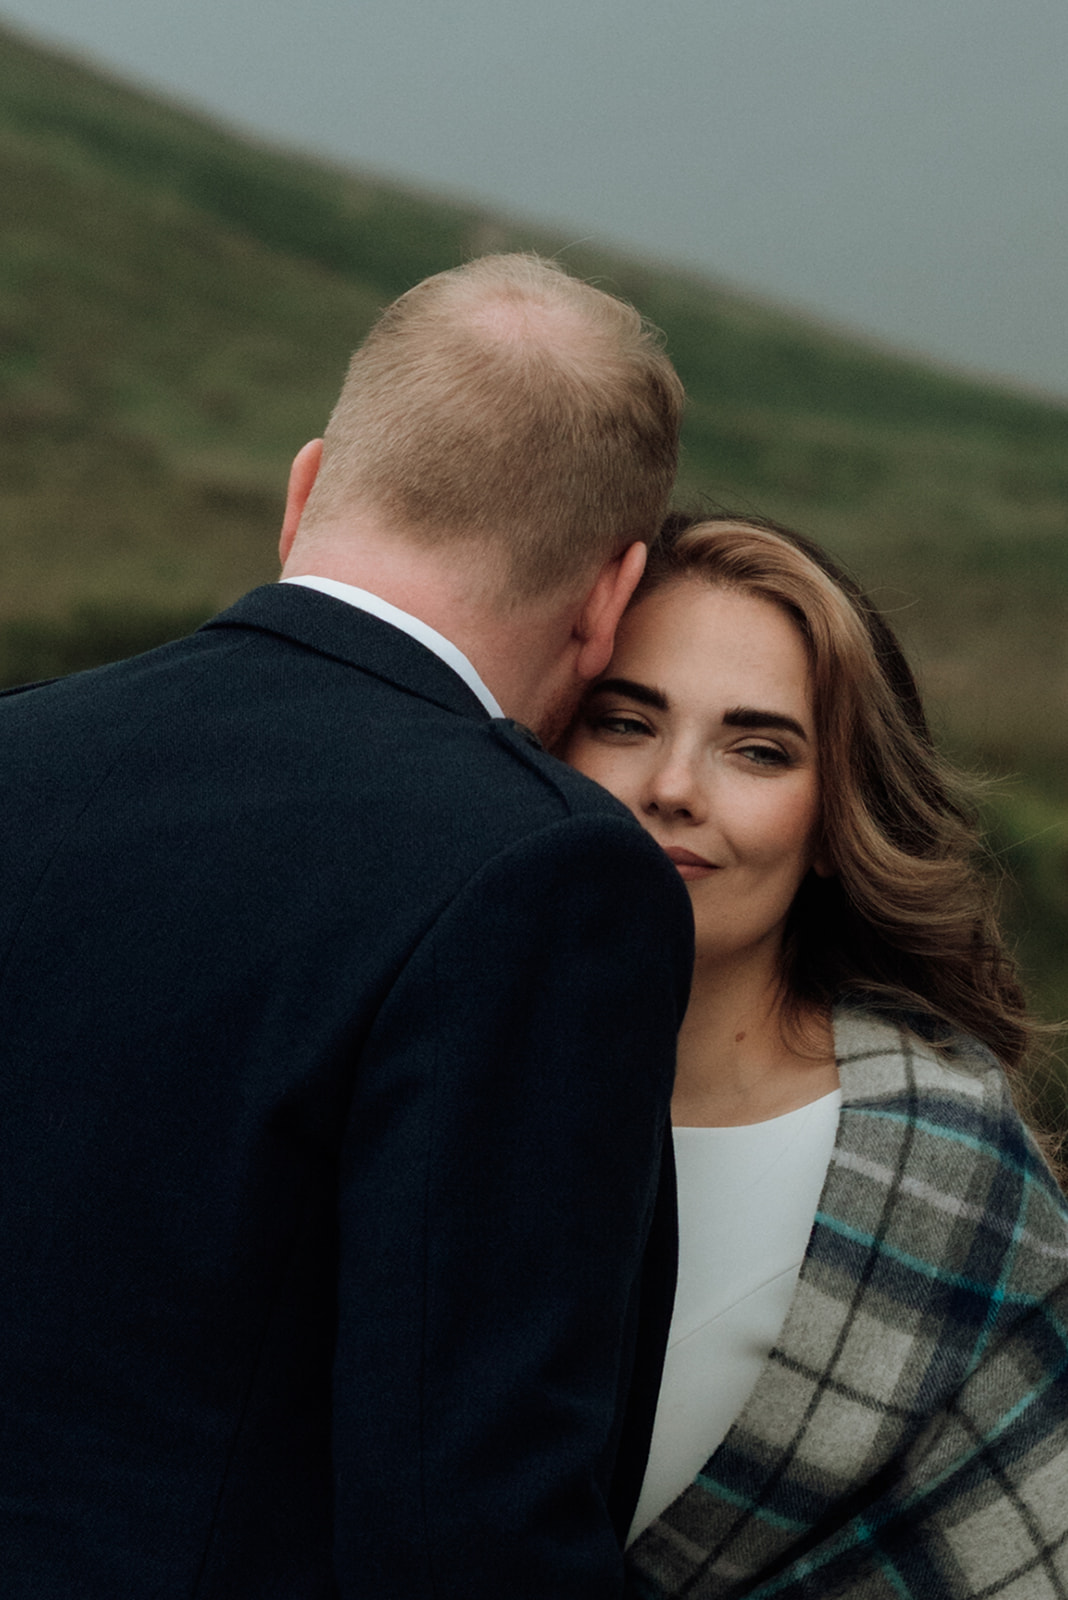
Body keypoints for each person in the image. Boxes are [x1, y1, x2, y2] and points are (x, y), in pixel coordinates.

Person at [0, 254, 695, 1598]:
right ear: (611, 593)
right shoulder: (544, 875)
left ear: (306, 487)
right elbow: (467, 1522)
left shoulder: (12, 751)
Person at [565, 512, 1068, 1599]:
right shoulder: (430, 1085)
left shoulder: (950, 1169)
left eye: (759, 748)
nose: (675, 787)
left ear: (836, 816)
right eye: (623, 721)